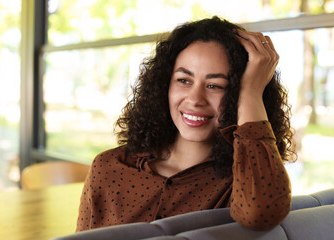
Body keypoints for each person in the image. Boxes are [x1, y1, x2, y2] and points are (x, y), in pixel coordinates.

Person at [76, 16, 295, 232]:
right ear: (165, 85)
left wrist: (251, 91)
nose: (195, 99)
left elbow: (262, 213)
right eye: (184, 80)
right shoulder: (109, 168)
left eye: (215, 85)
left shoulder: (245, 181)